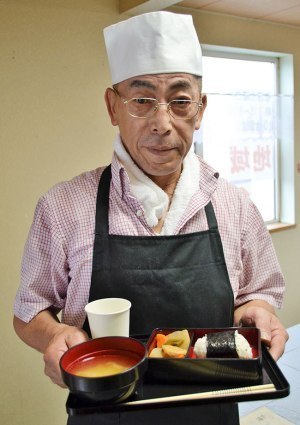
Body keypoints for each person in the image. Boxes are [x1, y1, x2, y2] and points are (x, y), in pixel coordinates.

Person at [13, 10, 288, 425]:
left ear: (200, 110)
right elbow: (29, 310)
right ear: (112, 106)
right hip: (104, 413)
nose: (163, 123)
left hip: (212, 412)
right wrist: (53, 336)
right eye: (142, 101)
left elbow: (259, 291)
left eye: (180, 102)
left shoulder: (236, 205)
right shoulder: (63, 206)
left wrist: (260, 310)